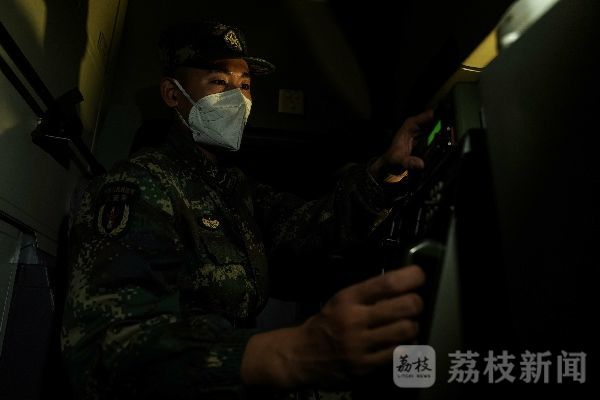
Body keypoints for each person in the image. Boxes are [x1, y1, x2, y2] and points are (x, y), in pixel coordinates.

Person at [61, 21, 434, 399]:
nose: (237, 99)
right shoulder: (142, 186)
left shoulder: (235, 189)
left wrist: (381, 175)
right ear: (173, 94)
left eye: (245, 85)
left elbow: (308, 227)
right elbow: (107, 352)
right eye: (219, 82)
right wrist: (289, 353)